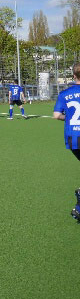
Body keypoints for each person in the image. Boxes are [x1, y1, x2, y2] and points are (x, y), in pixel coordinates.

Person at [53, 62, 80, 222]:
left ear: (74, 76)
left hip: (73, 137)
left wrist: (68, 118)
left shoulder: (65, 93)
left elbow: (57, 115)